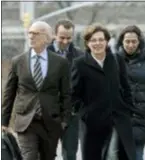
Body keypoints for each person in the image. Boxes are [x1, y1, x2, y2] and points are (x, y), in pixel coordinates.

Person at [1, 21, 71, 160]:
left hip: (50, 121)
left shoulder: (60, 63)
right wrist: (4, 121)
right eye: (30, 33)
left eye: (35, 33)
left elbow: (66, 94)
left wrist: (64, 120)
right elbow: (9, 93)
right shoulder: (18, 61)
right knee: (29, 157)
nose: (31, 36)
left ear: (46, 38)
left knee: (48, 157)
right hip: (26, 121)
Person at [71, 24, 136, 160]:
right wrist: (85, 114)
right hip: (93, 123)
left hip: (118, 120)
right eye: (93, 40)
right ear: (87, 43)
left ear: (107, 41)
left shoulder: (117, 60)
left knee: (114, 155)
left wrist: (128, 109)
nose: (97, 43)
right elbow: (73, 95)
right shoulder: (80, 64)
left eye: (101, 39)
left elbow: (126, 87)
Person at [116, 25, 145, 160]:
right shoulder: (114, 59)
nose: (130, 45)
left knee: (136, 155)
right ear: (122, 42)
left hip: (141, 115)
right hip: (119, 115)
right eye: (127, 41)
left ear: (139, 41)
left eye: (134, 41)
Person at [47, 19, 83, 160]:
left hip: (71, 114)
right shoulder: (43, 53)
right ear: (54, 35)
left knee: (70, 154)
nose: (65, 41)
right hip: (48, 113)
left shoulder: (80, 56)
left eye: (69, 38)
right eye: (62, 37)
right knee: (47, 152)